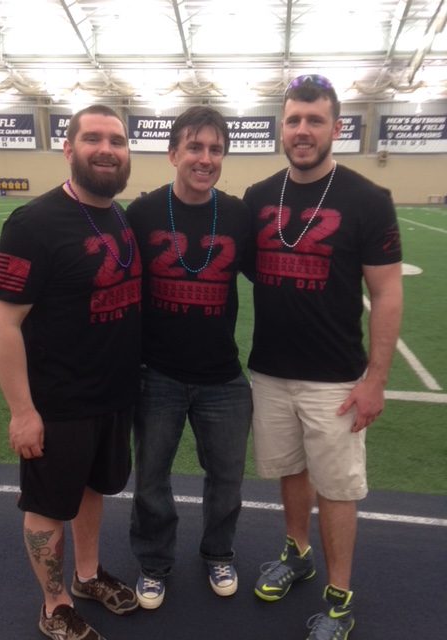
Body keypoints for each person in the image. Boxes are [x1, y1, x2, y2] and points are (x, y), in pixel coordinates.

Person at [243, 75, 403, 640]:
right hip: (269, 371)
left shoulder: (367, 199)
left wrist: (375, 380)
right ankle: (297, 553)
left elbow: (386, 292)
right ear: (280, 128)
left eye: (314, 120)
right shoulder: (260, 197)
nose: (303, 130)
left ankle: (339, 598)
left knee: (337, 488)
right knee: (289, 470)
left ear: (337, 127)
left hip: (335, 379)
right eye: (293, 120)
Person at [0, 104, 142, 640]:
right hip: (58, 402)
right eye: (93, 138)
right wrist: (23, 411)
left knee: (94, 490)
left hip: (112, 396)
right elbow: (2, 321)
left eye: (117, 140)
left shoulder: (117, 213)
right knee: (49, 507)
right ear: (68, 147)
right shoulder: (32, 223)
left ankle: (86, 576)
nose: (106, 149)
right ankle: (53, 605)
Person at [127, 106, 253, 609]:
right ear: (173, 153)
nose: (205, 159)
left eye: (215, 149)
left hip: (222, 376)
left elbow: (274, 282)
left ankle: (218, 551)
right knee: (151, 478)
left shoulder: (238, 214)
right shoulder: (143, 213)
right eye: (195, 148)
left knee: (227, 480)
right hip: (157, 373)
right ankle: (154, 563)